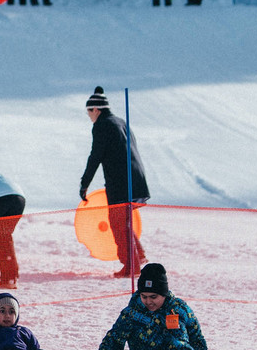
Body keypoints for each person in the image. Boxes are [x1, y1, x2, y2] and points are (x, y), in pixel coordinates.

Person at [79, 86, 149, 278]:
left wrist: (84, 183)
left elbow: (95, 156)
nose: (89, 116)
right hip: (136, 178)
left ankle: (131, 267)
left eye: (89, 112)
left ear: (96, 110)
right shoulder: (121, 122)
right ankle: (139, 256)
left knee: (118, 223)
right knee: (124, 222)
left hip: (120, 183)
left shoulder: (102, 125)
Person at [97, 263, 209, 350]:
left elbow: (197, 339)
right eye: (144, 296)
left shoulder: (179, 309)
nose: (148, 301)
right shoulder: (131, 314)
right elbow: (113, 340)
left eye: (153, 297)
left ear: (164, 294)